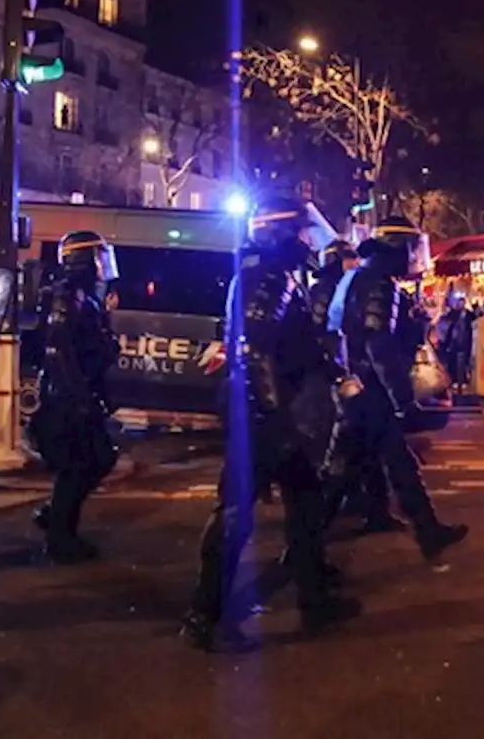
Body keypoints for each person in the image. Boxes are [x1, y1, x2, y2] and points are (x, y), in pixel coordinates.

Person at [181, 198, 358, 652]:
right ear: (282, 235)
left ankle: (314, 599)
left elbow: (296, 344)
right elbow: (254, 352)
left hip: (271, 412)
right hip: (266, 415)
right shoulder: (270, 280)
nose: (308, 242)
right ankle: (203, 616)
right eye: (302, 233)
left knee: (305, 506)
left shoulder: (274, 277)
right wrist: (273, 418)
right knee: (237, 515)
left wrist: (337, 373)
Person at [330, 216, 469, 562]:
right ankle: (303, 551)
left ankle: (428, 531)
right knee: (342, 474)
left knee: (393, 463)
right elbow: (379, 346)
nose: (411, 258)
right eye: (410, 249)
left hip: (357, 389)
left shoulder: (356, 277)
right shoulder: (379, 284)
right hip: (372, 393)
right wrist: (402, 400)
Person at [30, 230, 122, 562]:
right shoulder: (68, 296)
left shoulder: (86, 296)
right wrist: (81, 400)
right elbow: (61, 351)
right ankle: (60, 535)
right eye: (99, 257)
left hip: (78, 394)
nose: (104, 265)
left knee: (93, 460)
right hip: (67, 399)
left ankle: (57, 518)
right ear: (85, 260)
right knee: (83, 463)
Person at [312, 240, 401, 534]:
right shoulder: (329, 290)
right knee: (343, 455)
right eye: (347, 259)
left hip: (351, 376)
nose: (353, 263)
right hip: (347, 378)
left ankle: (379, 512)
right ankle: (308, 541)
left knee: (369, 453)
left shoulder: (348, 284)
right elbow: (326, 334)